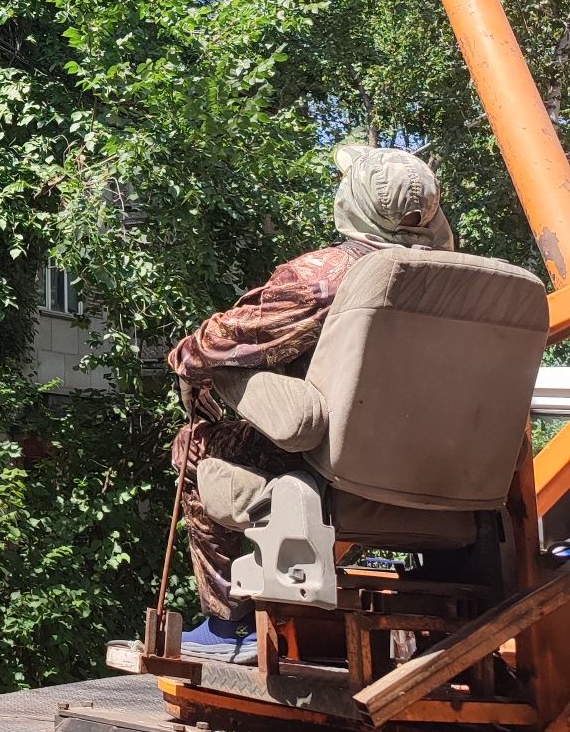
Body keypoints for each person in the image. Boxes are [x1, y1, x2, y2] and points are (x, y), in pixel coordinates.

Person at [170, 144, 455, 664]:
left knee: (196, 445)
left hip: (344, 468)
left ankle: (229, 622)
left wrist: (187, 361)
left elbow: (222, 341)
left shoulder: (326, 277)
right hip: (447, 478)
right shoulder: (462, 283)